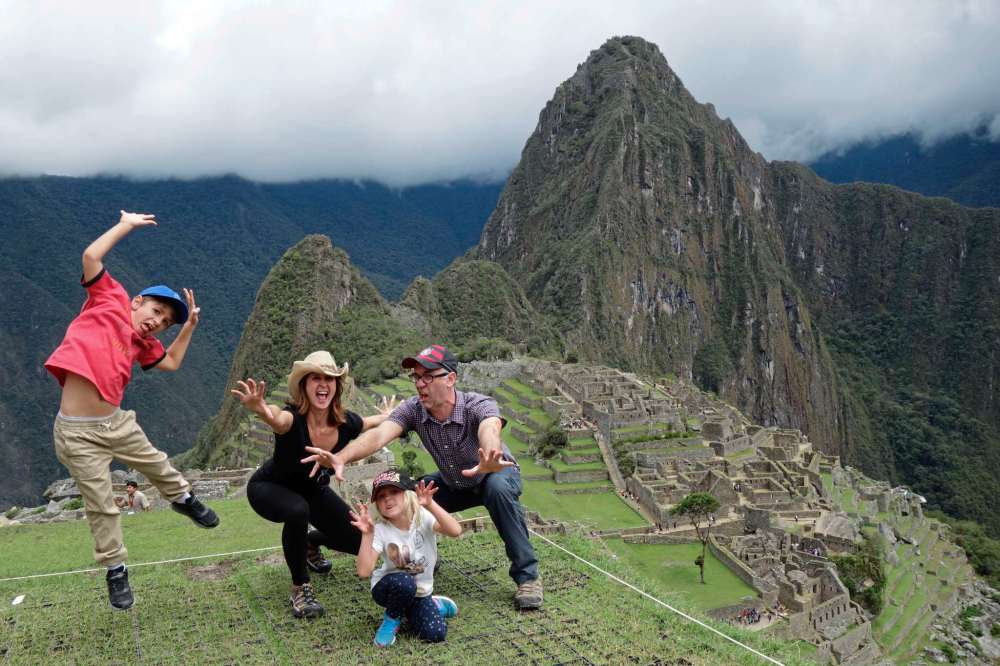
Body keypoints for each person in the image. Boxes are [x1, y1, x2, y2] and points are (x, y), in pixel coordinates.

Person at [44, 211, 219, 611]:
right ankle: (115, 569)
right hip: (76, 431)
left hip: (116, 422)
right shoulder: (108, 298)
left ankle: (184, 498)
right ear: (137, 301)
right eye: (155, 312)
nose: (157, 323)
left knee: (157, 464)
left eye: (164, 323)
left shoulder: (144, 346)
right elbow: (91, 257)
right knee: (101, 503)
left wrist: (188, 325)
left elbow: (171, 364)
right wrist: (126, 224)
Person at [303, 344, 543, 610]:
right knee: (404, 497)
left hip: (493, 473)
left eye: (428, 376)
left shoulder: (477, 404)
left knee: (497, 489)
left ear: (450, 378)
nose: (420, 384)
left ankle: (527, 577)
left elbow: (490, 426)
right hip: (454, 481)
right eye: (416, 377)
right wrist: (342, 457)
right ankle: (419, 557)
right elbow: (380, 434)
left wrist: (490, 455)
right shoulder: (414, 410)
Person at [232, 350, 396, 619]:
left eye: (329, 379)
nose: (323, 384)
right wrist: (260, 407)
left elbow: (368, 423)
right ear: (304, 387)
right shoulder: (292, 419)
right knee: (297, 511)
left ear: (336, 386)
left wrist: (389, 415)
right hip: (269, 488)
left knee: (359, 542)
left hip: (313, 492)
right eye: (315, 378)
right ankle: (300, 586)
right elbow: (275, 417)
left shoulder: (345, 423)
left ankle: (310, 544)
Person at [351, 469, 462, 647]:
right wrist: (366, 535)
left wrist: (431, 504)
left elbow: (455, 531)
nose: (387, 498)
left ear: (407, 494)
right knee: (404, 582)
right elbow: (364, 572)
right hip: (389, 588)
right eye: (381, 496)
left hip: (420, 592)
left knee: (435, 634)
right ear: (377, 504)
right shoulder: (380, 529)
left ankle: (433, 605)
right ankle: (391, 619)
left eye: (394, 491)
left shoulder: (423, 517)